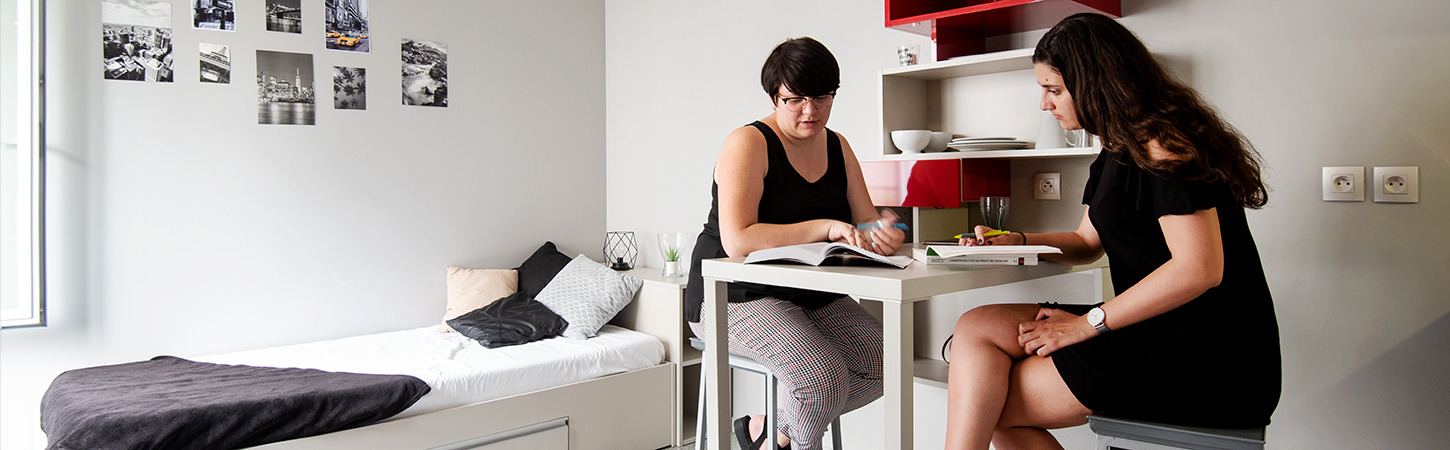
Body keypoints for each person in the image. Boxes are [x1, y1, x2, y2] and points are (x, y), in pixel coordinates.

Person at [944, 13, 1281, 449]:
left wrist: (1087, 325)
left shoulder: (1164, 145)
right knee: (977, 325)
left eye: (1054, 89)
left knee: (991, 403)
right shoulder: (1115, 147)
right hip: (1151, 325)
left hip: (1209, 354)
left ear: (1095, 83)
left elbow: (1200, 269)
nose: (1045, 104)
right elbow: (1086, 242)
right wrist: (1018, 240)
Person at [683, 37, 905, 450]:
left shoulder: (838, 145)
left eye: (822, 97)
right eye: (795, 99)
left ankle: (766, 431)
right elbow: (738, 240)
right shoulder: (747, 143)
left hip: (808, 290)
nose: (811, 110)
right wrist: (824, 227)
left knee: (886, 363)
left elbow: (865, 219)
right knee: (820, 379)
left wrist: (884, 230)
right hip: (731, 295)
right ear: (773, 96)